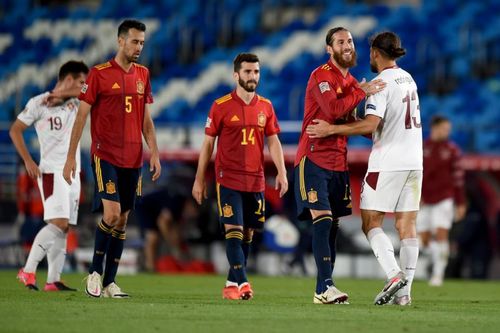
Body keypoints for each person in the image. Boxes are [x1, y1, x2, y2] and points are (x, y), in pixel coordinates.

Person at [307, 31, 422, 306]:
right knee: (407, 226)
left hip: (388, 162)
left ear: (375, 54)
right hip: (415, 161)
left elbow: (371, 125)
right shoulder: (409, 79)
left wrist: (331, 129)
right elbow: (384, 124)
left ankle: (394, 274)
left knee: (370, 221)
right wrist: (353, 118)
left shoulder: (380, 83)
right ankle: (404, 294)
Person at [63, 19, 161, 298]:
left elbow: (146, 120)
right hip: (105, 155)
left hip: (134, 159)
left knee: (123, 220)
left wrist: (153, 151)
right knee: (112, 214)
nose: (139, 47)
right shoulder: (99, 74)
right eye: (134, 41)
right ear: (120, 41)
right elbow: (82, 115)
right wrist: (71, 157)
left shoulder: (143, 74)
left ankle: (110, 283)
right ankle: (93, 273)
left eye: (142, 42)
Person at [294, 27, 384, 305]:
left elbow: (350, 122)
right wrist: (361, 90)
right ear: (329, 49)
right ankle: (326, 286)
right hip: (313, 159)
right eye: (341, 41)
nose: (347, 45)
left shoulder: (353, 82)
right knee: (321, 221)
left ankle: (323, 288)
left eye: (350, 41)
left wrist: (375, 127)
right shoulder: (321, 75)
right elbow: (333, 109)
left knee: (332, 226)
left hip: (338, 162)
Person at [192, 53, 288, 300]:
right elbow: (207, 145)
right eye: (247, 72)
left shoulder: (266, 106)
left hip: (255, 180)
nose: (252, 76)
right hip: (228, 178)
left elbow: (274, 141)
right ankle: (244, 282)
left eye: (256, 72)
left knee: (247, 234)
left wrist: (282, 171)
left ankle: (230, 285)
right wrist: (199, 178)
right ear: (236, 75)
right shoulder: (221, 105)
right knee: (233, 229)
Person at [10, 60, 89, 291]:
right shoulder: (39, 103)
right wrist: (27, 159)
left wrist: (64, 94)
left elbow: (92, 89)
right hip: (52, 171)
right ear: (68, 79)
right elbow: (15, 130)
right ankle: (28, 270)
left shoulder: (77, 101)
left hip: (73, 173)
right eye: (80, 81)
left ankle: (53, 280)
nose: (83, 86)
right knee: (58, 223)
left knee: (65, 227)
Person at [417, 115, 466, 286]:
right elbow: (415, 174)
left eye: (448, 129)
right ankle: (438, 259)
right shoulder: (421, 147)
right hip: (424, 199)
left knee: (441, 234)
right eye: (444, 128)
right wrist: (416, 194)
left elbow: (458, 179)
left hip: (444, 198)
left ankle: (438, 274)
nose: (447, 132)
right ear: (434, 128)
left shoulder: (452, 150)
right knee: (422, 241)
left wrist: (460, 203)